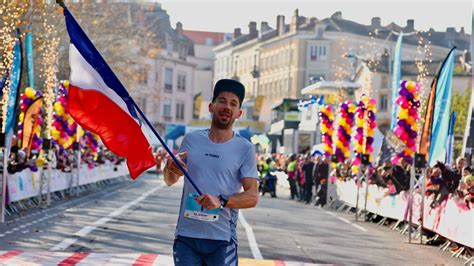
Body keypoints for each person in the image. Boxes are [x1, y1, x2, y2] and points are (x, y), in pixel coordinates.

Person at [163, 79, 259, 266]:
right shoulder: (191, 140)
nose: (227, 107)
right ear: (211, 106)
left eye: (233, 104)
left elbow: (252, 196)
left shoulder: (244, 148)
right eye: (222, 101)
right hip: (186, 236)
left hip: (221, 240)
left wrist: (221, 200)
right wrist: (170, 168)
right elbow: (169, 180)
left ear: (239, 113)